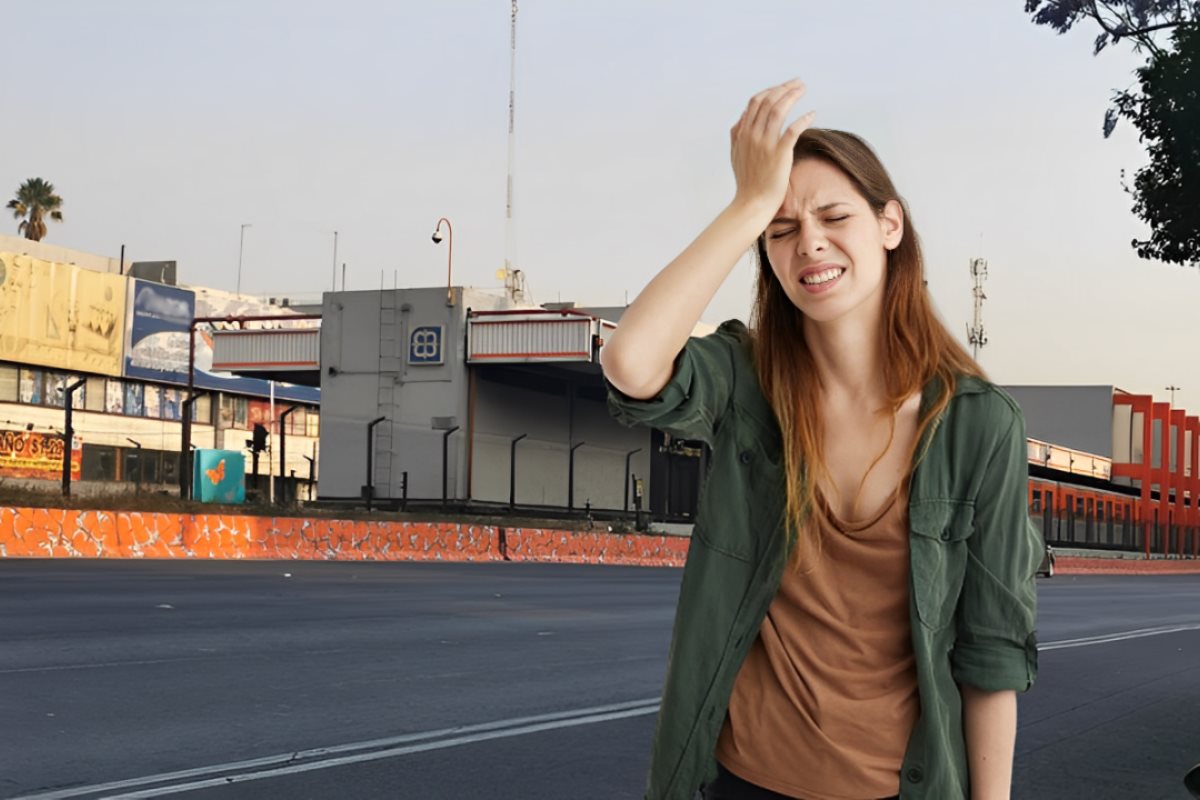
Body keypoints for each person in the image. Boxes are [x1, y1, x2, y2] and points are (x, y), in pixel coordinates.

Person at [601, 79, 1041, 800]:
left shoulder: (979, 425)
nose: (809, 243)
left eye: (835, 216)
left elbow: (992, 658)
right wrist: (747, 203)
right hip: (738, 782)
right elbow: (631, 364)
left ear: (888, 225)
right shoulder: (746, 380)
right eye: (780, 229)